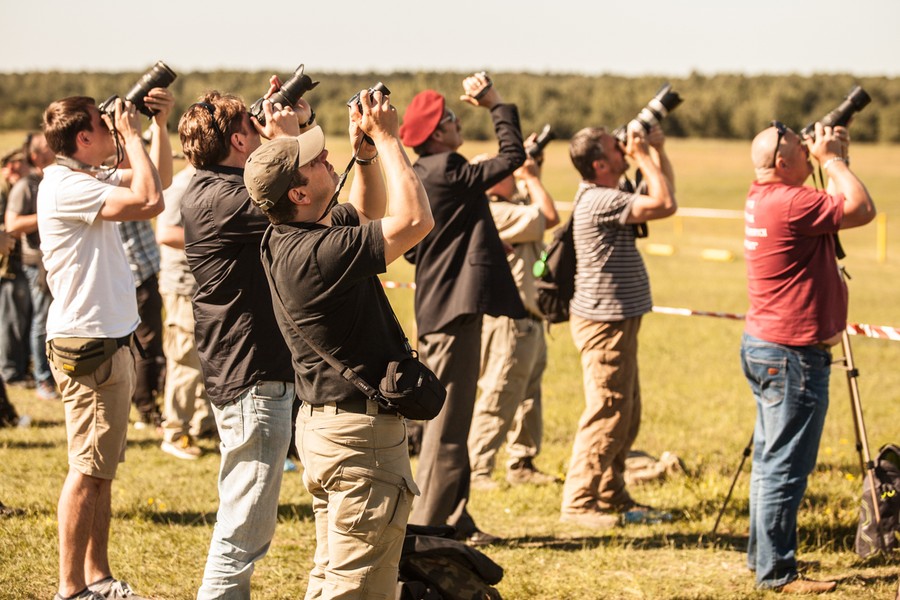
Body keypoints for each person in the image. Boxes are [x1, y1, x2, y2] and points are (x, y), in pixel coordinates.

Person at [246, 85, 431, 599]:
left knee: (334, 577)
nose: (328, 157)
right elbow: (414, 221)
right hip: (358, 440)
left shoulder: (290, 239)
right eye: (315, 161)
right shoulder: (317, 256)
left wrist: (365, 157)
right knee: (359, 588)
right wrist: (390, 139)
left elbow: (364, 217)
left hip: (328, 431)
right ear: (299, 195)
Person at [39, 87, 172, 600]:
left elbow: (155, 179)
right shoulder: (67, 187)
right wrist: (132, 135)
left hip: (105, 341)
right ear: (84, 136)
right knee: (86, 472)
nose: (112, 125)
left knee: (101, 473)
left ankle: (98, 577)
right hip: (90, 345)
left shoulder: (82, 177)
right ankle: (71, 588)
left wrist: (155, 129)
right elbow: (151, 202)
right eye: (103, 121)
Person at [178, 83, 305, 598]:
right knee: (243, 530)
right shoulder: (227, 199)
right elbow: (308, 203)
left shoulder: (209, 188)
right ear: (237, 141)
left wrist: (286, 131)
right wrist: (288, 143)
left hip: (247, 371)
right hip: (253, 377)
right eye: (252, 129)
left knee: (246, 521)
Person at [741, 120, 875, 593]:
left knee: (768, 461)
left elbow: (837, 207)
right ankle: (776, 574)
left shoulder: (764, 197)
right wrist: (834, 160)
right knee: (785, 467)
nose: (810, 150)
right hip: (793, 355)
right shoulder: (794, 201)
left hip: (767, 345)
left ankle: (764, 560)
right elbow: (862, 208)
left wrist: (830, 160)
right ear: (782, 163)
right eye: (803, 147)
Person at [399, 73, 526, 545]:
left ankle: (455, 519)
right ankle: (434, 527)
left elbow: (413, 248)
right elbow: (513, 157)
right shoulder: (448, 168)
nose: (457, 124)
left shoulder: (419, 175)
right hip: (452, 316)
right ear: (437, 135)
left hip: (437, 308)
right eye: (451, 120)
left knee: (451, 421)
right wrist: (495, 104)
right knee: (448, 428)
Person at [560, 124, 676, 529]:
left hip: (616, 320)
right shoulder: (601, 200)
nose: (624, 148)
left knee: (626, 413)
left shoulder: (609, 193)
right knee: (607, 412)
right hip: (603, 323)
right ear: (600, 163)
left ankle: (610, 491)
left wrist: (655, 152)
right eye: (616, 146)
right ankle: (578, 502)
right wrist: (644, 155)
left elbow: (663, 194)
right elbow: (664, 205)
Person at [467, 149, 560, 489]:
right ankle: (477, 466)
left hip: (530, 318)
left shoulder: (511, 204)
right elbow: (549, 216)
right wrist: (532, 176)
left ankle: (521, 461)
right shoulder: (494, 211)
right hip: (510, 319)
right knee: (501, 390)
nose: (512, 173)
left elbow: (532, 201)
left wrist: (532, 162)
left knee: (528, 396)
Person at [155, 164, 215, 459]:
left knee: (203, 358)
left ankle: (201, 422)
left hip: (203, 286)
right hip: (182, 287)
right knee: (185, 359)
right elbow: (165, 233)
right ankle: (175, 431)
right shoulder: (182, 184)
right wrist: (216, 243)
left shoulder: (210, 179)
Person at [5, 133, 62, 400]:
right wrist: (50, 213)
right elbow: (14, 225)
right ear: (36, 156)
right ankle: (43, 378)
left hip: (55, 259)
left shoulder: (53, 180)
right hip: (35, 262)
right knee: (41, 321)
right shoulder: (27, 185)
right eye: (48, 149)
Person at [0, 147, 32, 387]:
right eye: (20, 163)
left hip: (16, 265)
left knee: (19, 320)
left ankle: (19, 368)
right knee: (10, 322)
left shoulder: (12, 188)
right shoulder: (3, 191)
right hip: (8, 268)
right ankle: (10, 371)